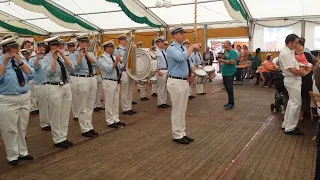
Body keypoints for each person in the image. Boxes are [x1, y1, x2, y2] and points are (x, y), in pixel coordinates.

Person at [0, 36, 35, 166]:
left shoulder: (20, 59)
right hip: (7, 99)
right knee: (9, 129)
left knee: (22, 126)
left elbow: (30, 74)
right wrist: (4, 63)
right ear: (6, 49)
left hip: (24, 97)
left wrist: (20, 62)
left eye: (16, 48)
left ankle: (23, 152)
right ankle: (12, 155)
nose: (16, 51)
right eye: (14, 49)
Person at [41, 36, 74, 148]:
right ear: (50, 47)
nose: (58, 47)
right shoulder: (45, 58)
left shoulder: (63, 56)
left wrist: (63, 55)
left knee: (65, 114)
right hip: (54, 87)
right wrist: (54, 59)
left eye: (58, 45)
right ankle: (57, 139)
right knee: (56, 114)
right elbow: (48, 72)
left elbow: (72, 68)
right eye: (55, 45)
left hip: (65, 85)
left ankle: (63, 136)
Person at [68, 34, 99, 138]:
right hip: (81, 78)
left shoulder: (90, 53)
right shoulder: (73, 54)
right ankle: (84, 129)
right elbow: (74, 68)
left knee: (90, 105)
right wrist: (81, 56)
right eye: (84, 42)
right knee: (82, 105)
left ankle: (89, 126)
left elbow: (95, 63)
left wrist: (87, 55)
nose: (86, 44)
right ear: (80, 43)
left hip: (92, 78)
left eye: (87, 42)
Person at [279, 34, 309, 135]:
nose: (297, 45)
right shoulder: (285, 54)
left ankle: (286, 124)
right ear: (290, 42)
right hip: (292, 80)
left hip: (293, 80)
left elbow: (295, 63)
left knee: (292, 103)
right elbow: (292, 70)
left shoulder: (289, 51)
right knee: (296, 104)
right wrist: (303, 73)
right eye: (296, 43)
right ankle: (290, 128)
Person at [98, 40, 126, 129]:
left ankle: (116, 118)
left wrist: (122, 64)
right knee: (109, 102)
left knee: (116, 101)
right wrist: (117, 62)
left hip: (116, 81)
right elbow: (108, 69)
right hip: (108, 81)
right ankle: (110, 121)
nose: (113, 49)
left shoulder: (113, 57)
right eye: (111, 47)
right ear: (107, 48)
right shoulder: (102, 58)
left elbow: (120, 68)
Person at [29, 41, 51, 131]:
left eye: (43, 46)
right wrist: (37, 59)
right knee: (43, 106)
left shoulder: (48, 57)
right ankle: (44, 123)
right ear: (37, 47)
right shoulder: (32, 58)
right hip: (40, 84)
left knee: (52, 104)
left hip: (50, 84)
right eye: (40, 46)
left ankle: (51, 121)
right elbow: (33, 69)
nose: (42, 48)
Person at [114, 34, 137, 115]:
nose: (125, 41)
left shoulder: (129, 49)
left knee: (130, 90)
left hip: (131, 71)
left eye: (125, 39)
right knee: (124, 91)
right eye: (123, 39)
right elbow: (116, 59)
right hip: (124, 71)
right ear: (119, 40)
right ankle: (125, 108)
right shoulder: (117, 50)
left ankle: (129, 107)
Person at [297, 38, 319, 121]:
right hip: (307, 78)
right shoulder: (308, 54)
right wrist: (312, 69)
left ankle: (299, 115)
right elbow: (317, 61)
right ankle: (303, 114)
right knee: (305, 96)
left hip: (298, 78)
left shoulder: (294, 55)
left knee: (299, 97)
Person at [219, 41, 238, 110]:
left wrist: (223, 60)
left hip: (230, 73)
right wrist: (222, 57)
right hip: (225, 73)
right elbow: (225, 58)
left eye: (226, 47)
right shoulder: (226, 52)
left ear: (230, 46)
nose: (225, 48)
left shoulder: (234, 53)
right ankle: (229, 102)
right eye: (224, 47)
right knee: (227, 88)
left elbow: (232, 62)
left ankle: (231, 103)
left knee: (230, 88)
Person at [154, 36, 170, 108]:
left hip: (166, 70)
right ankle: (160, 102)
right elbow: (153, 63)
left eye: (163, 42)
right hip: (160, 71)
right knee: (161, 87)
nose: (163, 43)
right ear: (157, 43)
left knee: (165, 88)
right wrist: (157, 71)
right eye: (161, 42)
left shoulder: (163, 51)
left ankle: (164, 101)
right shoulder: (155, 51)